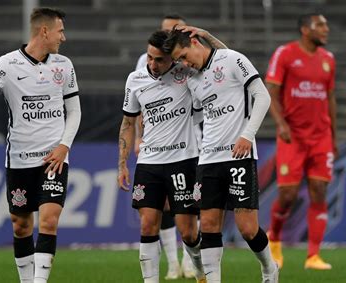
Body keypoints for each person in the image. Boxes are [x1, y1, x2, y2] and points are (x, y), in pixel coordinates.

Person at [0, 7, 81, 283]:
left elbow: (74, 111)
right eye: (60, 31)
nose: (63, 37)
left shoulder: (64, 66)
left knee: (49, 220)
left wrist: (64, 146)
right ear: (44, 31)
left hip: (53, 157)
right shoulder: (7, 63)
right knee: (21, 225)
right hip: (19, 158)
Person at [163, 29, 279, 283]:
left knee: (247, 228)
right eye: (179, 61)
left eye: (184, 56)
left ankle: (269, 267)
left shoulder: (233, 59)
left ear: (194, 42)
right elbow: (195, 120)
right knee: (209, 225)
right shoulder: (193, 80)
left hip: (240, 155)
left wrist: (247, 135)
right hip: (208, 160)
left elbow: (263, 96)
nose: (184, 64)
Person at [117, 30, 219, 283]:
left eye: (159, 59)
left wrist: (207, 37)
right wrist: (122, 164)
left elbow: (220, 63)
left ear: (173, 59)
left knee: (188, 233)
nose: (152, 64)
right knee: (147, 225)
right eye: (149, 58)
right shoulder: (135, 79)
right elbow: (128, 123)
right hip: (149, 162)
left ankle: (199, 269)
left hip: (183, 161)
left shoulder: (187, 75)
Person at [265, 13, 337, 270]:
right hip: (292, 137)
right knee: (288, 195)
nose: (326, 29)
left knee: (319, 191)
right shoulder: (285, 54)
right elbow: (270, 91)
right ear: (305, 30)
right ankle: (274, 239)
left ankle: (313, 256)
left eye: (326, 25)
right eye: (321, 25)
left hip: (321, 137)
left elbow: (330, 99)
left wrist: (334, 138)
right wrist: (281, 123)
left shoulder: (328, 60)